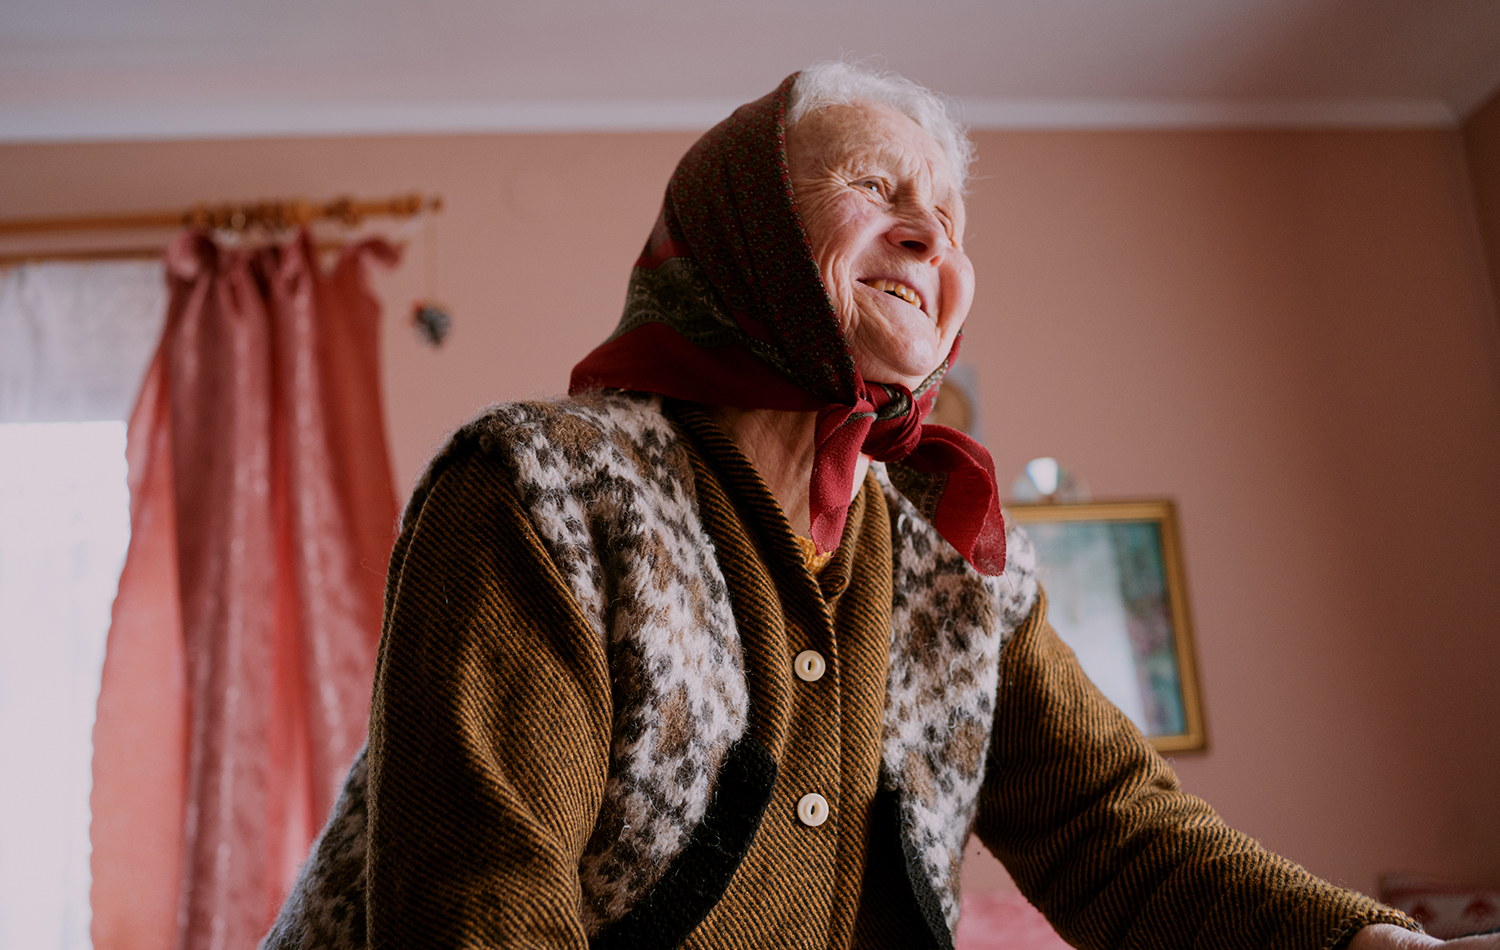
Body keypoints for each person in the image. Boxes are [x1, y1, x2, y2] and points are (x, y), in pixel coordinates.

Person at [263, 62, 1494, 950]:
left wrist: (1359, 942)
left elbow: (1112, 827)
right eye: (875, 185)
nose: (928, 236)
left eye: (949, 219)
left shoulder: (953, 561)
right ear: (743, 225)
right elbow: (481, 906)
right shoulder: (540, 488)